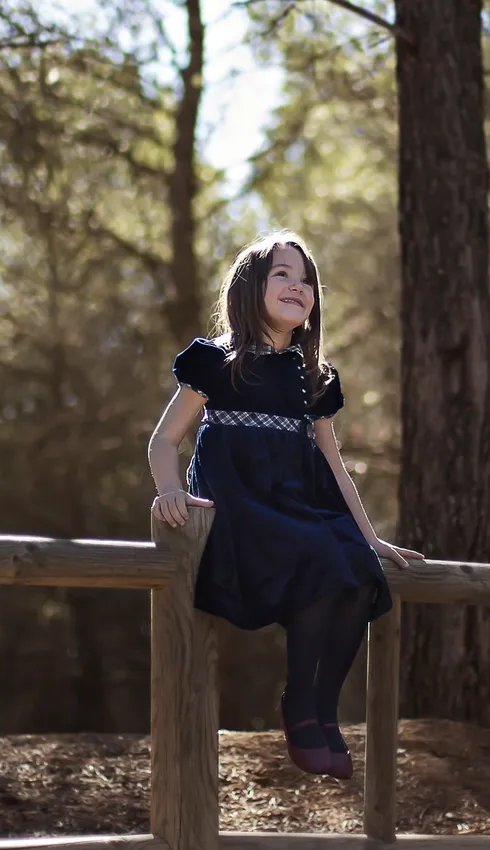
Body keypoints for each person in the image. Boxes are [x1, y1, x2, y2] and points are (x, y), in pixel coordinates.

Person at [146, 229, 422, 780]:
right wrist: (170, 490)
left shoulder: (314, 377)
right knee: (320, 559)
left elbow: (334, 464)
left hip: (300, 501)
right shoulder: (219, 362)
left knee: (362, 574)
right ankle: (298, 705)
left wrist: (369, 536)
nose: (297, 286)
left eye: (306, 280)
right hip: (242, 503)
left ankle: (322, 710)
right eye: (282, 274)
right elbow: (163, 440)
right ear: (251, 286)